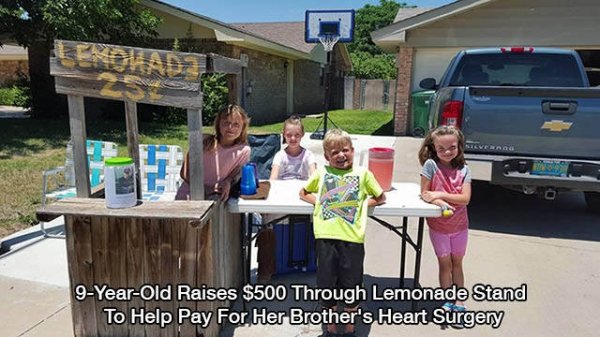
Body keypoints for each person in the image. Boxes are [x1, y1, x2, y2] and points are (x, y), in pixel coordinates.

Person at [299, 129, 386, 337]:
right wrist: (320, 202)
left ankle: (349, 324)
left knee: (351, 281)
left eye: (345, 150)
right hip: (325, 236)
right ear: (327, 157)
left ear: (353, 151)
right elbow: (303, 193)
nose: (340, 155)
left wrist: (362, 204)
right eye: (334, 152)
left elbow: (380, 197)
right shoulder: (321, 174)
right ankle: (330, 325)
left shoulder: (363, 174)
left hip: (352, 237)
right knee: (327, 280)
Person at [418, 125, 472, 324]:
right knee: (445, 264)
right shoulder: (430, 165)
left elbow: (465, 198)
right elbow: (425, 194)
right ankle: (447, 299)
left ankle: (459, 300)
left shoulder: (464, 169)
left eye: (452, 147)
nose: (447, 152)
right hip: (439, 227)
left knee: (457, 264)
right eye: (441, 148)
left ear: (459, 146)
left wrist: (440, 194)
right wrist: (440, 203)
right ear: (433, 147)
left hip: (460, 227)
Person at [256, 116, 317, 283]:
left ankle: (319, 263)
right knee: (267, 219)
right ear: (284, 135)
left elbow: (314, 176)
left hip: (302, 198)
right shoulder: (280, 155)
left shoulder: (308, 155)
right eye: (289, 135)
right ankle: (266, 269)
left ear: (303, 135)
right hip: (284, 198)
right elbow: (273, 180)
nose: (293, 138)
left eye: (297, 135)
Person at [175, 104, 251, 201]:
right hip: (188, 193)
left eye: (236, 124)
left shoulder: (244, 151)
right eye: (226, 122)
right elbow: (184, 173)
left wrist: (228, 182)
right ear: (218, 124)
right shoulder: (203, 141)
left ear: (243, 127)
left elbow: (233, 176)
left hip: (215, 197)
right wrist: (205, 189)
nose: (230, 127)